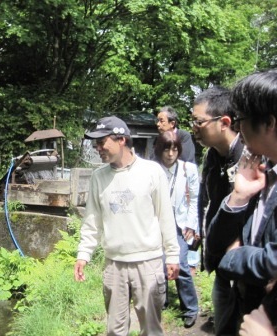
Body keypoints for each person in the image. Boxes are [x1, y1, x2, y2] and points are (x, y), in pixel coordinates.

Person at [74, 115, 180, 336]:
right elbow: (92, 221)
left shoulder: (151, 171)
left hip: (148, 262)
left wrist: (172, 255)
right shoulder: (98, 177)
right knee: (114, 330)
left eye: (102, 142)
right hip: (114, 265)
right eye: (96, 144)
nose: (98, 148)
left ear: (121, 140)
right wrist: (83, 254)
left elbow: (165, 217)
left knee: (151, 329)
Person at [205, 69, 277, 332]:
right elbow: (214, 243)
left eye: (241, 119)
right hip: (239, 305)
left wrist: (233, 256)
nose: (237, 127)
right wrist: (239, 196)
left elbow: (272, 261)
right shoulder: (256, 170)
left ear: (269, 123)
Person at [191, 86, 244, 335]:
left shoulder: (251, 156)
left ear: (224, 122)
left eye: (199, 121)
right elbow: (208, 202)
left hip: (248, 265)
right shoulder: (212, 157)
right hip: (222, 262)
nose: (194, 127)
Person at [153, 131, 199, 328]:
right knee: (157, 263)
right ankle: (161, 301)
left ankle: (190, 308)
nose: (171, 154)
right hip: (156, 223)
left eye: (174, 149)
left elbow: (195, 199)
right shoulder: (152, 169)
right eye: (166, 148)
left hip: (179, 223)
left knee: (180, 263)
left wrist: (191, 224)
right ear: (159, 149)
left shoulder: (188, 169)